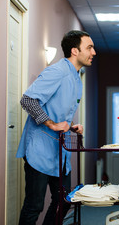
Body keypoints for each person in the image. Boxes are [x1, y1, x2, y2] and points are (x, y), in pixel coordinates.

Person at [16, 30, 96, 225]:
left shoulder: (76, 77)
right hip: (39, 150)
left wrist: (70, 127)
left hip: (58, 151)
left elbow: (59, 112)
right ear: (74, 51)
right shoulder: (57, 71)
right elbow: (27, 100)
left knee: (64, 201)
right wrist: (50, 123)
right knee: (34, 205)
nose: (94, 52)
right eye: (89, 48)